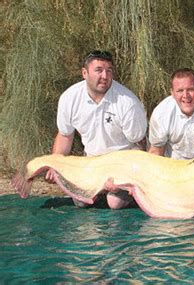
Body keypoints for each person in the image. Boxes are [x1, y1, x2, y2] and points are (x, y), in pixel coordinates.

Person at [45, 50, 148, 209]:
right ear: (84, 73)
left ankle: (130, 194)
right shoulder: (69, 98)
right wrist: (55, 162)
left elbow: (140, 145)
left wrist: (126, 177)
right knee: (81, 201)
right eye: (99, 70)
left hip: (122, 163)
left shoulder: (128, 102)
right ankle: (100, 193)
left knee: (115, 203)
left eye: (109, 71)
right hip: (91, 162)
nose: (105, 76)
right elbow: (65, 136)